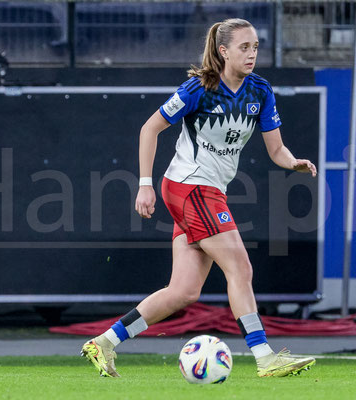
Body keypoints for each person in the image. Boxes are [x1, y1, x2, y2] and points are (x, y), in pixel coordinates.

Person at [81, 18, 318, 377]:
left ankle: (105, 341)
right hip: (191, 187)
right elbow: (149, 129)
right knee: (241, 268)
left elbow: (276, 149)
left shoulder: (260, 91)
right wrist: (144, 184)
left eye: (255, 47)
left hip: (204, 191)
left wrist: (292, 162)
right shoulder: (199, 88)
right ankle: (265, 357)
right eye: (244, 47)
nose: (252, 54)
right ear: (223, 51)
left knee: (184, 291)